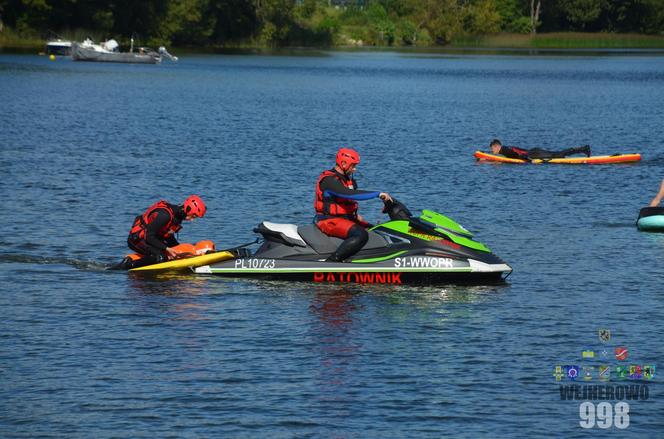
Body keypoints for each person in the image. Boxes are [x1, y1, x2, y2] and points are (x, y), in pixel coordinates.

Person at [315, 148, 392, 262]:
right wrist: (377, 194)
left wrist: (355, 216)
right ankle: (332, 262)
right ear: (344, 163)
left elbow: (347, 202)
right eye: (353, 165)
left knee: (377, 230)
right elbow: (350, 195)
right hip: (328, 220)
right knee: (360, 235)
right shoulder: (329, 180)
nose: (355, 169)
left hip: (344, 219)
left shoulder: (347, 180)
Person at [124, 195, 207, 267]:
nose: (192, 220)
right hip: (137, 239)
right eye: (193, 216)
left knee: (169, 254)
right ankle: (130, 264)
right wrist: (167, 249)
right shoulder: (165, 216)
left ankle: (151, 257)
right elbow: (148, 236)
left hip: (151, 238)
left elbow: (168, 237)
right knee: (161, 257)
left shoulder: (177, 218)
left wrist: (180, 251)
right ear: (188, 209)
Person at [489, 139, 591, 160]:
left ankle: (583, 148)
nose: (492, 151)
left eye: (492, 149)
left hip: (534, 154)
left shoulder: (505, 150)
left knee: (558, 155)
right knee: (557, 154)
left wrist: (527, 159)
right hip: (534, 152)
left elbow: (517, 153)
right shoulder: (504, 149)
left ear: (496, 147)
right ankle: (582, 149)